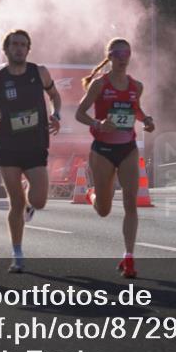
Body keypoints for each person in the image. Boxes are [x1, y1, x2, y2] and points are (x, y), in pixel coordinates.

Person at [0, 29, 61, 273]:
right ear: (6, 49)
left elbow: (55, 96)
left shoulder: (39, 72)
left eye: (23, 45)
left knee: (39, 200)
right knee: (15, 203)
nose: (19, 48)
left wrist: (56, 115)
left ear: (28, 49)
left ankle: (29, 202)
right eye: (15, 44)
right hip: (8, 146)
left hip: (35, 144)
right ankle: (17, 253)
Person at [75, 38, 154, 279]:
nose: (122, 57)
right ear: (109, 57)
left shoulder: (136, 86)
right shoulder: (100, 84)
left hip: (128, 148)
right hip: (103, 150)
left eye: (126, 53)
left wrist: (146, 120)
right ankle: (93, 194)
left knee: (131, 201)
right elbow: (79, 113)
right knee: (104, 210)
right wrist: (97, 123)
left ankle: (129, 257)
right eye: (117, 53)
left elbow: (135, 109)